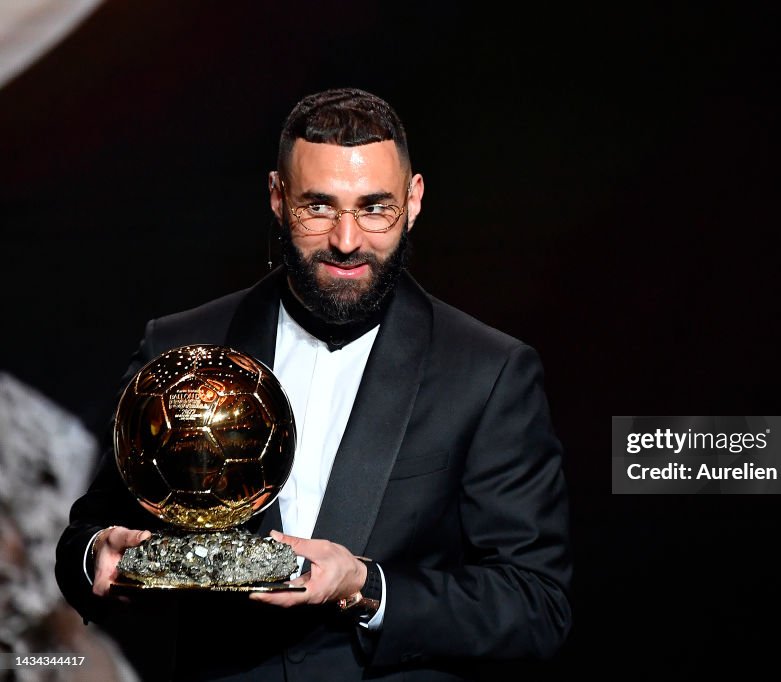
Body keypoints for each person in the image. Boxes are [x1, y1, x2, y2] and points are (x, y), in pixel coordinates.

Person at [55, 87, 572, 682]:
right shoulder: (179, 348)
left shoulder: (488, 372)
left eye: (375, 208)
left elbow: (536, 605)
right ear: (278, 198)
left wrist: (366, 586)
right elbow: (84, 538)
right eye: (319, 207)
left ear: (415, 200)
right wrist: (100, 554)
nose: (348, 241)